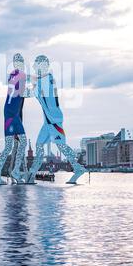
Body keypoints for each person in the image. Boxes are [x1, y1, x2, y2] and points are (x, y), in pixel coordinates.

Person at [24, 55, 85, 184]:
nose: (34, 67)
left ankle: (78, 168)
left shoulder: (47, 80)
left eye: (36, 65)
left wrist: (22, 81)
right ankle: (32, 174)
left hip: (54, 121)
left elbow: (31, 92)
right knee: (39, 145)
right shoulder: (45, 79)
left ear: (43, 66)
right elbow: (34, 87)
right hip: (47, 123)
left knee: (61, 146)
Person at [0, 53, 27, 185]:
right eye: (18, 61)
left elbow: (19, 93)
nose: (20, 63)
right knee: (23, 142)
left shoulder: (13, 75)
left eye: (21, 61)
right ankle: (16, 171)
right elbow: (23, 93)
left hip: (9, 112)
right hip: (12, 114)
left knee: (8, 146)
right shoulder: (19, 75)